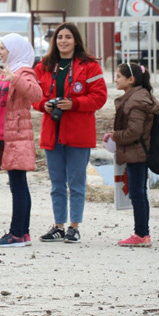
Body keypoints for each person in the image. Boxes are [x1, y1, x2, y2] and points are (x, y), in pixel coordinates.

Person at [34, 23, 107, 244]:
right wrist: (43, 105)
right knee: (56, 182)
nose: (63, 41)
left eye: (67, 37)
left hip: (78, 132)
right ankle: (58, 225)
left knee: (76, 181)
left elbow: (99, 97)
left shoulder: (90, 65)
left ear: (76, 40)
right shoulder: (44, 66)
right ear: (54, 41)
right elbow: (34, 95)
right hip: (52, 131)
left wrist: (73, 104)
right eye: (59, 38)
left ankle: (74, 227)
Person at [0, 34, 42, 248]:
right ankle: (22, 233)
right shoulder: (4, 73)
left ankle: (18, 233)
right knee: (17, 184)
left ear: (14, 50)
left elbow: (37, 94)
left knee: (19, 185)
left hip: (18, 136)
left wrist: (16, 79)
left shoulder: (23, 72)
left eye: (3, 48)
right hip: (5, 137)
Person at [105, 63, 159, 248]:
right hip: (136, 152)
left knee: (137, 193)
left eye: (119, 76)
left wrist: (116, 136)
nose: (115, 79)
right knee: (139, 192)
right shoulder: (136, 97)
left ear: (131, 80)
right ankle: (142, 233)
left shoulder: (135, 102)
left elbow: (134, 132)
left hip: (136, 153)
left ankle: (142, 234)